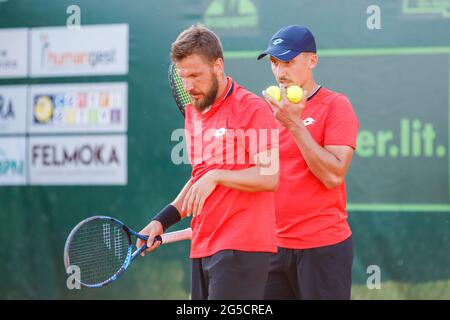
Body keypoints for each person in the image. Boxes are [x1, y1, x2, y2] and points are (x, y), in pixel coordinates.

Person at [137, 24, 280, 300]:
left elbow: (269, 176)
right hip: (203, 246)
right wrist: (163, 220)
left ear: (218, 65)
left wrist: (217, 176)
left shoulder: (252, 108)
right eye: (183, 77)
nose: (189, 86)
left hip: (242, 248)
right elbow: (200, 177)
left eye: (195, 75)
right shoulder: (194, 114)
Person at [258, 25, 360, 300]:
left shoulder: (337, 106)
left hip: (323, 248)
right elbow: (255, 176)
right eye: (274, 62)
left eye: (288, 61)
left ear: (312, 61)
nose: (280, 72)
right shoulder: (264, 112)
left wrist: (294, 124)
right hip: (272, 248)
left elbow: (333, 175)